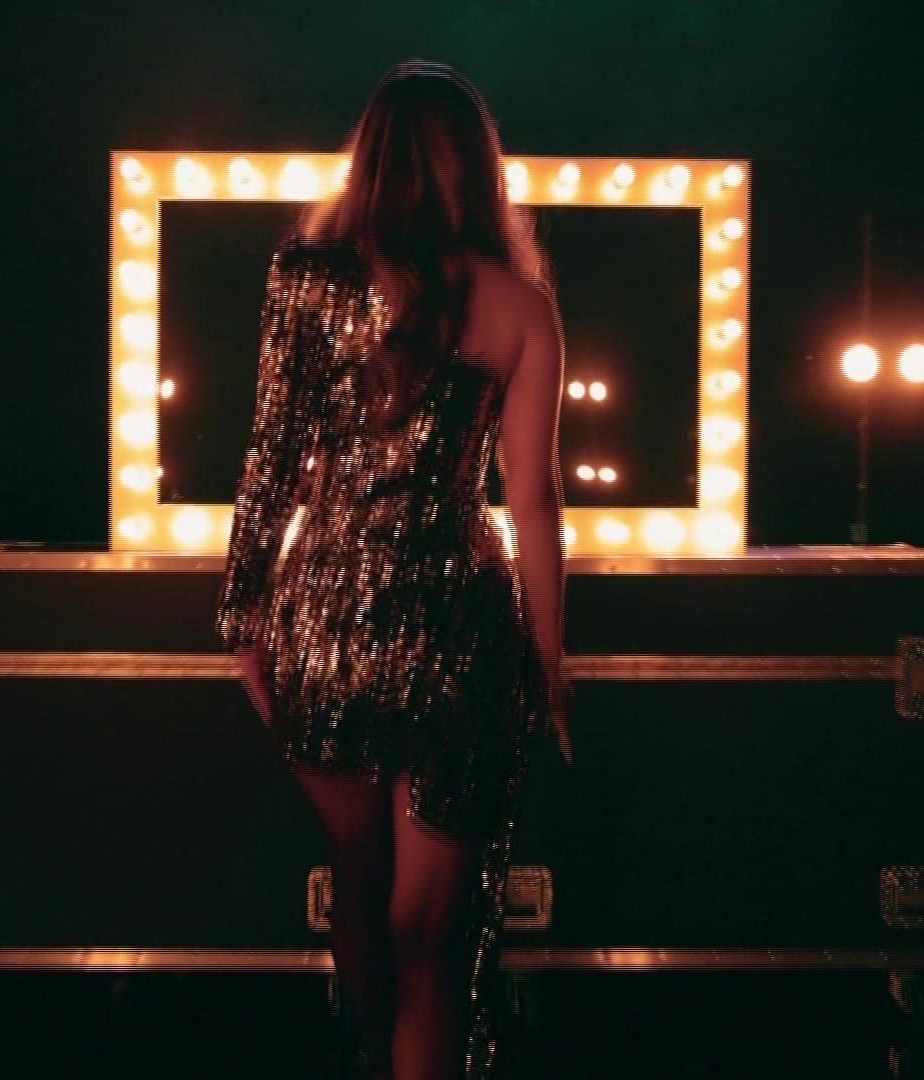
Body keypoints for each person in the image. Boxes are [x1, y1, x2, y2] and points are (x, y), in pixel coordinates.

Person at [216, 60, 571, 1080]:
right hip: (460, 624)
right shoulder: (520, 306)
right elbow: (533, 502)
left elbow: (270, 462)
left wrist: (243, 621)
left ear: (368, 159)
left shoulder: (303, 279)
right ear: (478, 167)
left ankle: (378, 1061)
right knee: (431, 938)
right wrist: (550, 662)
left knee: (358, 887)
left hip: (324, 621)